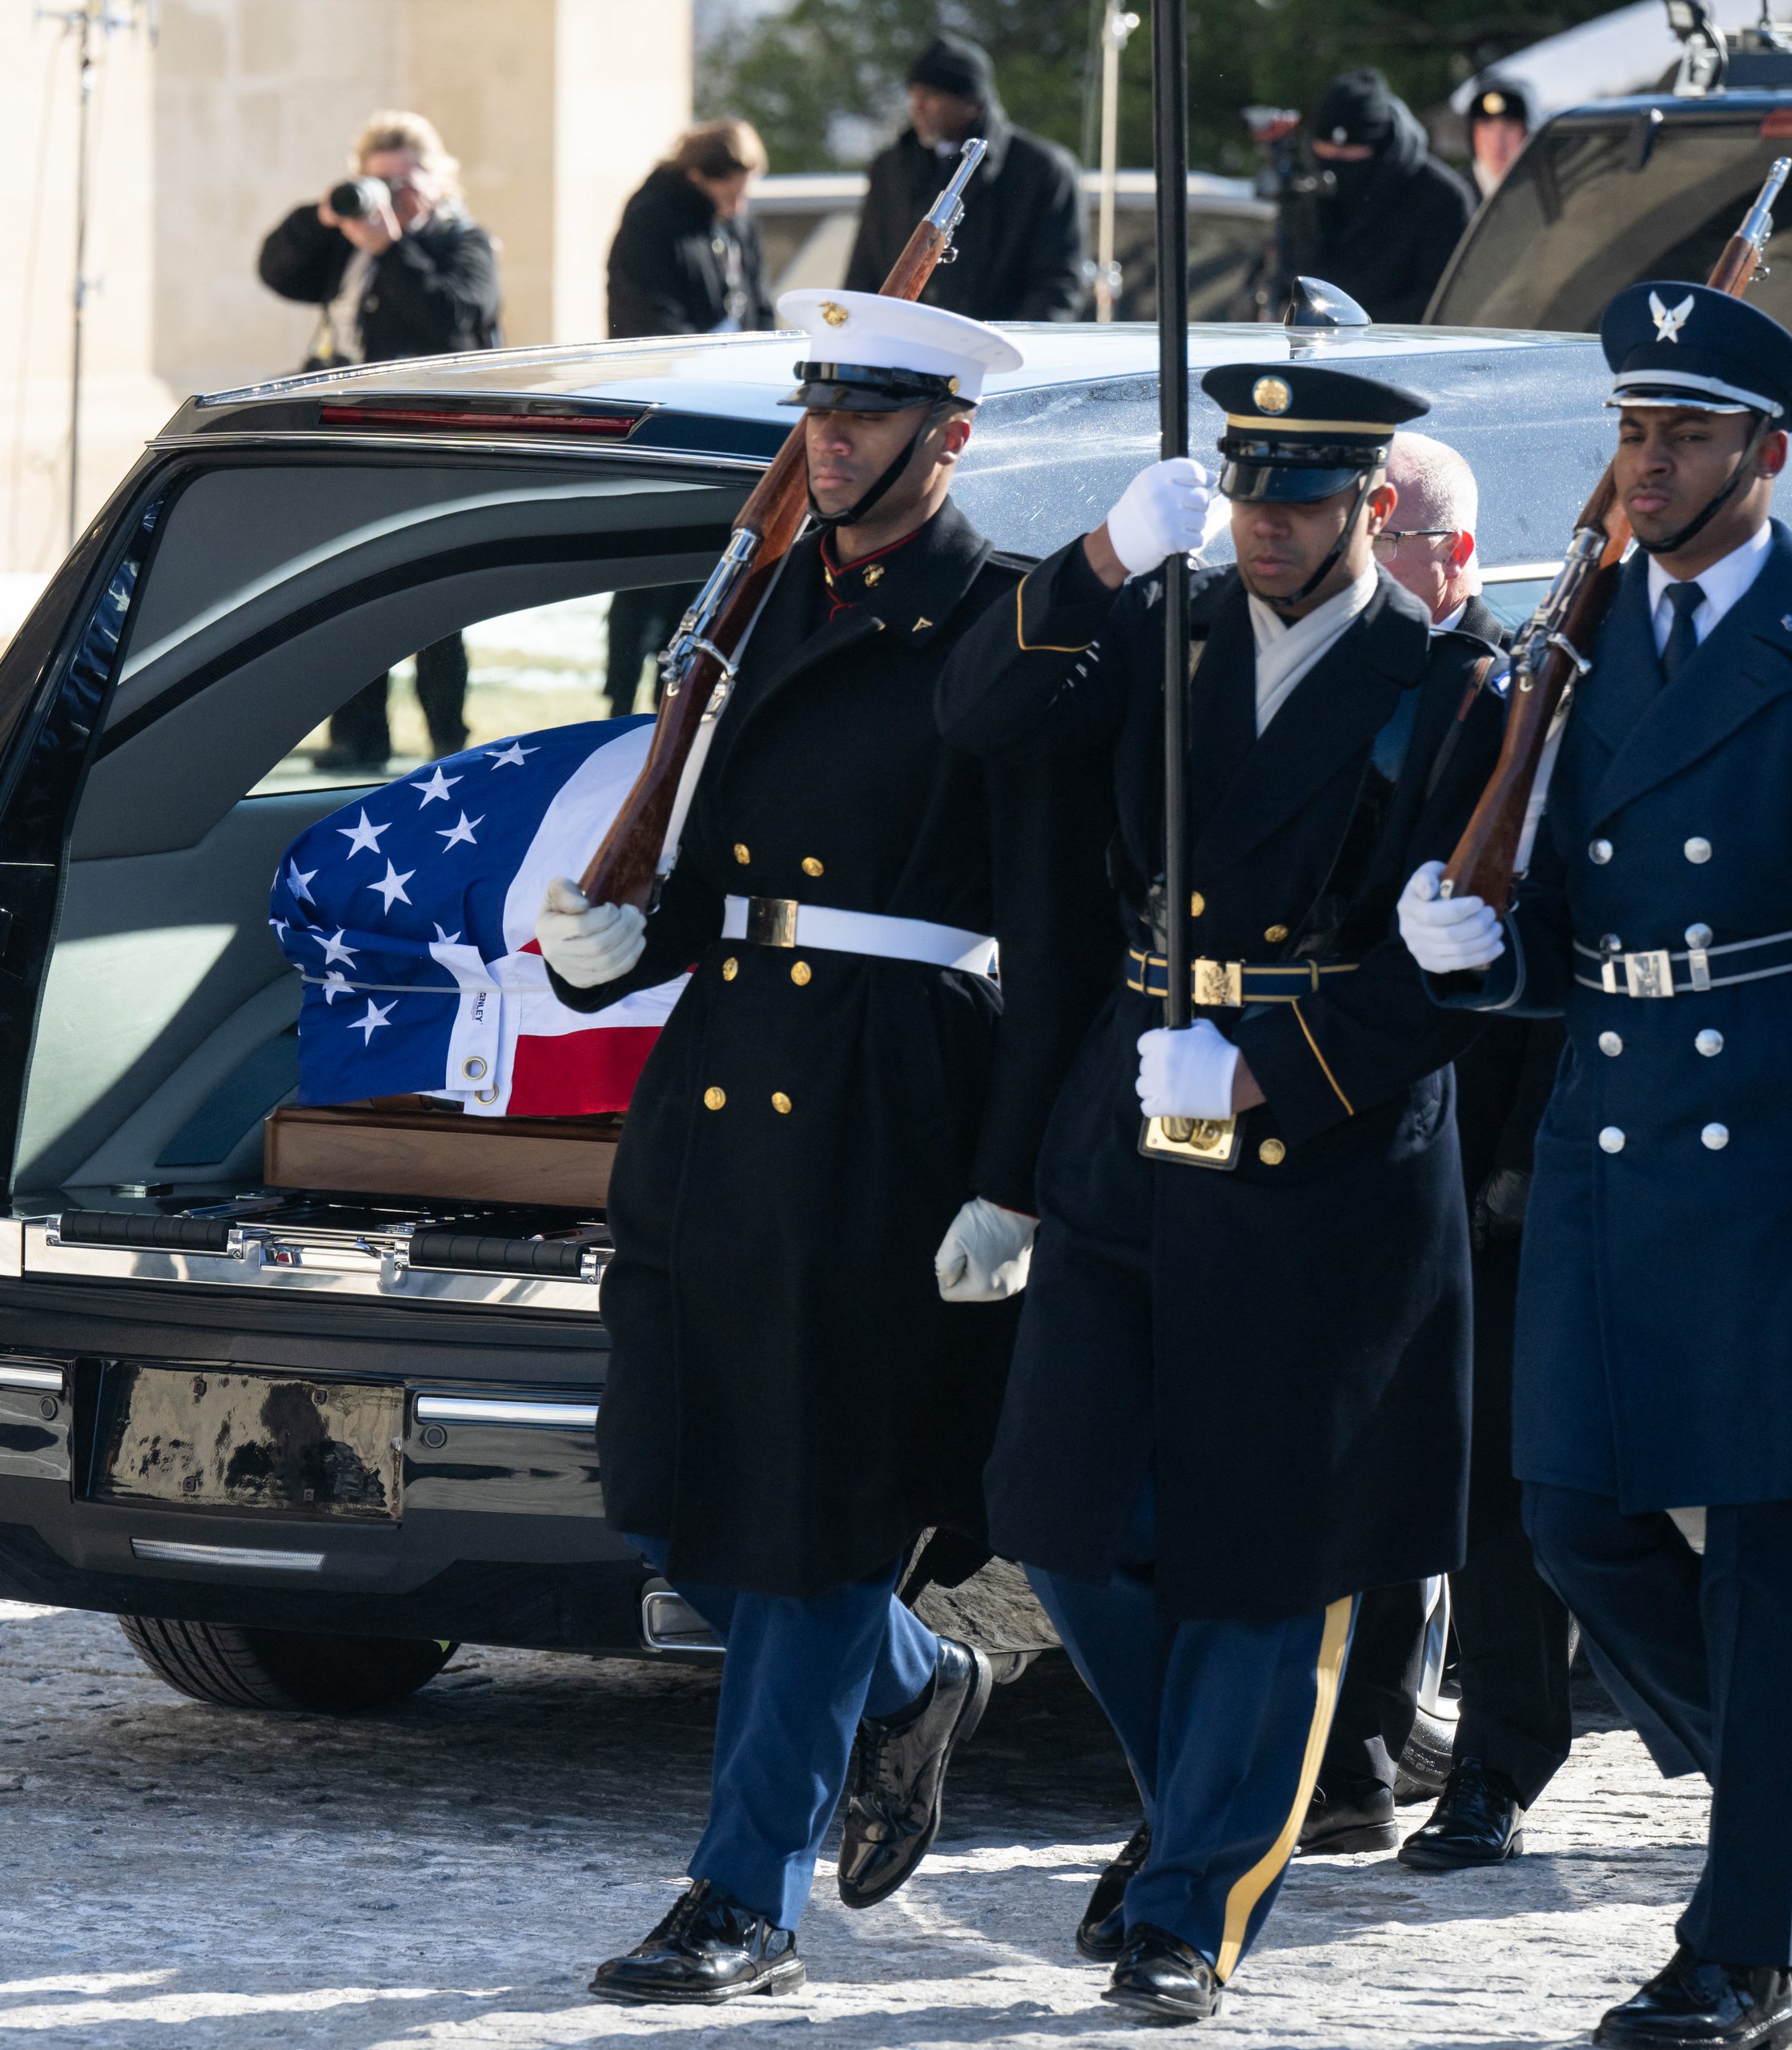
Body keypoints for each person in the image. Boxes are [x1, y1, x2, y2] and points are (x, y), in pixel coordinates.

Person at [1400, 283, 1792, 2047]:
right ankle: (1787, 1771)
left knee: (1769, 1562)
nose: (1643, 468)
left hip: (1790, 1152)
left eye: (1681, 438)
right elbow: (1565, 925)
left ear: (1765, 454)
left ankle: (1741, 1947)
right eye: (1632, 435)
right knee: (1571, 1511)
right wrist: (1473, 949)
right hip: (1611, 1134)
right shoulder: (1581, 656)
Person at [537, 291, 1116, 2004]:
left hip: (884, 1098)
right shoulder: (762, 595)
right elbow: (711, 853)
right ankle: (916, 1673)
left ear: (951, 436)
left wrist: (1010, 1177)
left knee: (805, 1513)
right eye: (819, 406)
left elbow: (1054, 939)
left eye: (870, 412)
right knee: (680, 1491)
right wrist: (622, 943)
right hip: (724, 1072)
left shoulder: (1002, 621)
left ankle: (743, 1896)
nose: (833, 436)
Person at [938, 364, 1503, 2022]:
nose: (1267, 525)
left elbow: (1462, 968)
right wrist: (1099, 559)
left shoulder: (1446, 682)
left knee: (1270, 1551)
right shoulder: (1162, 632)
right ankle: (1198, 1799)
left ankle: (1193, 1901)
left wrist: (1274, 1069)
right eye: (1248, 493)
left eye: (1305, 501)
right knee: (1056, 1508)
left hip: (1320, 1140)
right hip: (1133, 1107)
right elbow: (976, 711)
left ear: (1371, 512)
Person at [1364, 429, 1588, 1874]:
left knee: (1509, 1493)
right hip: (1355, 1124)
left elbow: (1559, 941)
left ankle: (1499, 1766)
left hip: (1489, 1139)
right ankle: (1362, 1745)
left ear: (1454, 558)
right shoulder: (1313, 680)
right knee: (1376, 1460)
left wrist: (1510, 1159)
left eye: (1388, 542)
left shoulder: (1523, 694)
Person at [261, 111, 503, 773]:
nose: (388, 198)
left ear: (436, 180)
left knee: (434, 602)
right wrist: (322, 217)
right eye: (377, 183)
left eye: (403, 182)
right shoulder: (350, 244)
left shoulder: (463, 242)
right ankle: (359, 738)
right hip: (349, 442)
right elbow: (278, 272)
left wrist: (394, 248)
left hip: (431, 450)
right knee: (349, 592)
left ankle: (447, 742)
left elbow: (456, 319)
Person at [604, 119, 775, 718]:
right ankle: (622, 698)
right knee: (645, 574)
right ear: (699, 176)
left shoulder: (734, 221)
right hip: (667, 407)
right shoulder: (653, 218)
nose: (740, 205)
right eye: (730, 191)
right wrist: (705, 349)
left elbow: (755, 298)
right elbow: (646, 312)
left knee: (704, 566)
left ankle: (684, 696)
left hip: (732, 403)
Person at [843, 35, 1086, 324]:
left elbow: (1058, 286)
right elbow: (864, 272)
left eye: (931, 96)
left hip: (995, 356)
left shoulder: (1044, 170)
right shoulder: (890, 167)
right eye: (913, 94)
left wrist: (1003, 351)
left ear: (972, 101)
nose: (916, 106)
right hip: (902, 350)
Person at [1284, 70, 1475, 324]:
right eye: (1325, 149)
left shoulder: (1440, 198)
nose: (1334, 161)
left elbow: (1445, 301)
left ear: (1378, 147)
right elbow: (1285, 277)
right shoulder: (1304, 190)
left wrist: (1347, 326)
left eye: (1349, 151)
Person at [1467, 77, 1535, 202]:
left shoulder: (1543, 192)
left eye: (1509, 127)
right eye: (1487, 127)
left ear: (1526, 133)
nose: (1497, 140)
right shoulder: (1452, 197)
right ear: (1474, 134)